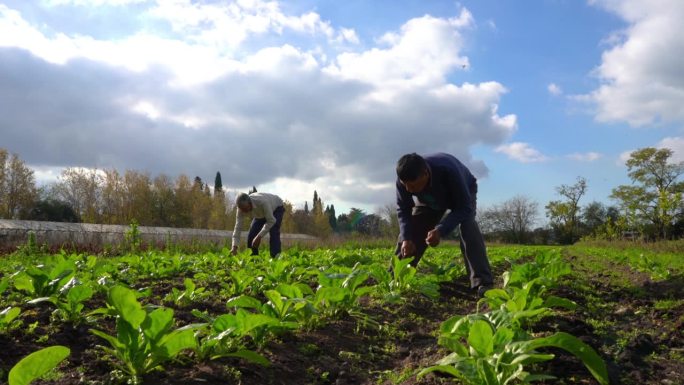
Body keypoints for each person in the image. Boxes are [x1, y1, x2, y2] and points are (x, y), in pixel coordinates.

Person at [394, 152, 493, 297]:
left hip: (463, 193)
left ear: (425, 174)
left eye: (413, 186)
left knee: (468, 226)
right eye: (406, 185)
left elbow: (464, 208)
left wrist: (441, 230)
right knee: (412, 230)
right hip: (430, 199)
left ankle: (483, 283)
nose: (409, 190)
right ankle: (396, 278)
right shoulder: (404, 180)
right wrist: (406, 238)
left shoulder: (448, 171)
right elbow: (403, 209)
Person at [231, 192, 285, 257]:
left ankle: (276, 257)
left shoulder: (262, 202)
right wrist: (234, 246)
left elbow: (271, 221)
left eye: (246, 208)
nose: (245, 211)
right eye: (242, 209)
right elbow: (238, 227)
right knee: (252, 234)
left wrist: (259, 236)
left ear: (250, 203)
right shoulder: (241, 210)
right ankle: (253, 259)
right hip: (260, 214)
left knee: (273, 231)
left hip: (276, 208)